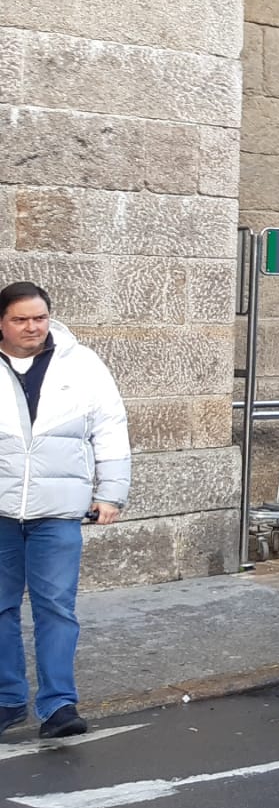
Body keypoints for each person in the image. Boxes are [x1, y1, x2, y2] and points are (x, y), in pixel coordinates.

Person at [0, 282, 128, 741]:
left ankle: (58, 706)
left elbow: (110, 427)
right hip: (1, 511)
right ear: (2, 323)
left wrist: (111, 493)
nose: (32, 326)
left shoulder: (83, 364)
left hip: (58, 512)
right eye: (21, 319)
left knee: (56, 607)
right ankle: (8, 700)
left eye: (39, 317)